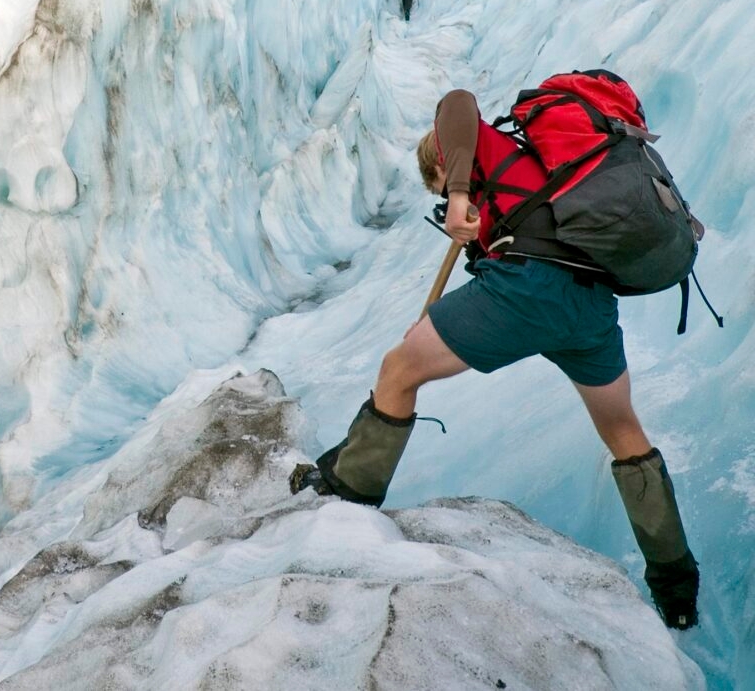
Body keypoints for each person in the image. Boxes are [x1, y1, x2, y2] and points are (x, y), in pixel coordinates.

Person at [293, 88, 700, 631]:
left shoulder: (473, 147)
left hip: (527, 288)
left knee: (397, 372)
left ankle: (346, 498)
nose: (447, 207)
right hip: (587, 307)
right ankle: (676, 588)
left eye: (439, 189)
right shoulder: (540, 182)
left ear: (440, 162)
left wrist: (458, 191)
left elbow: (456, 102)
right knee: (624, 431)